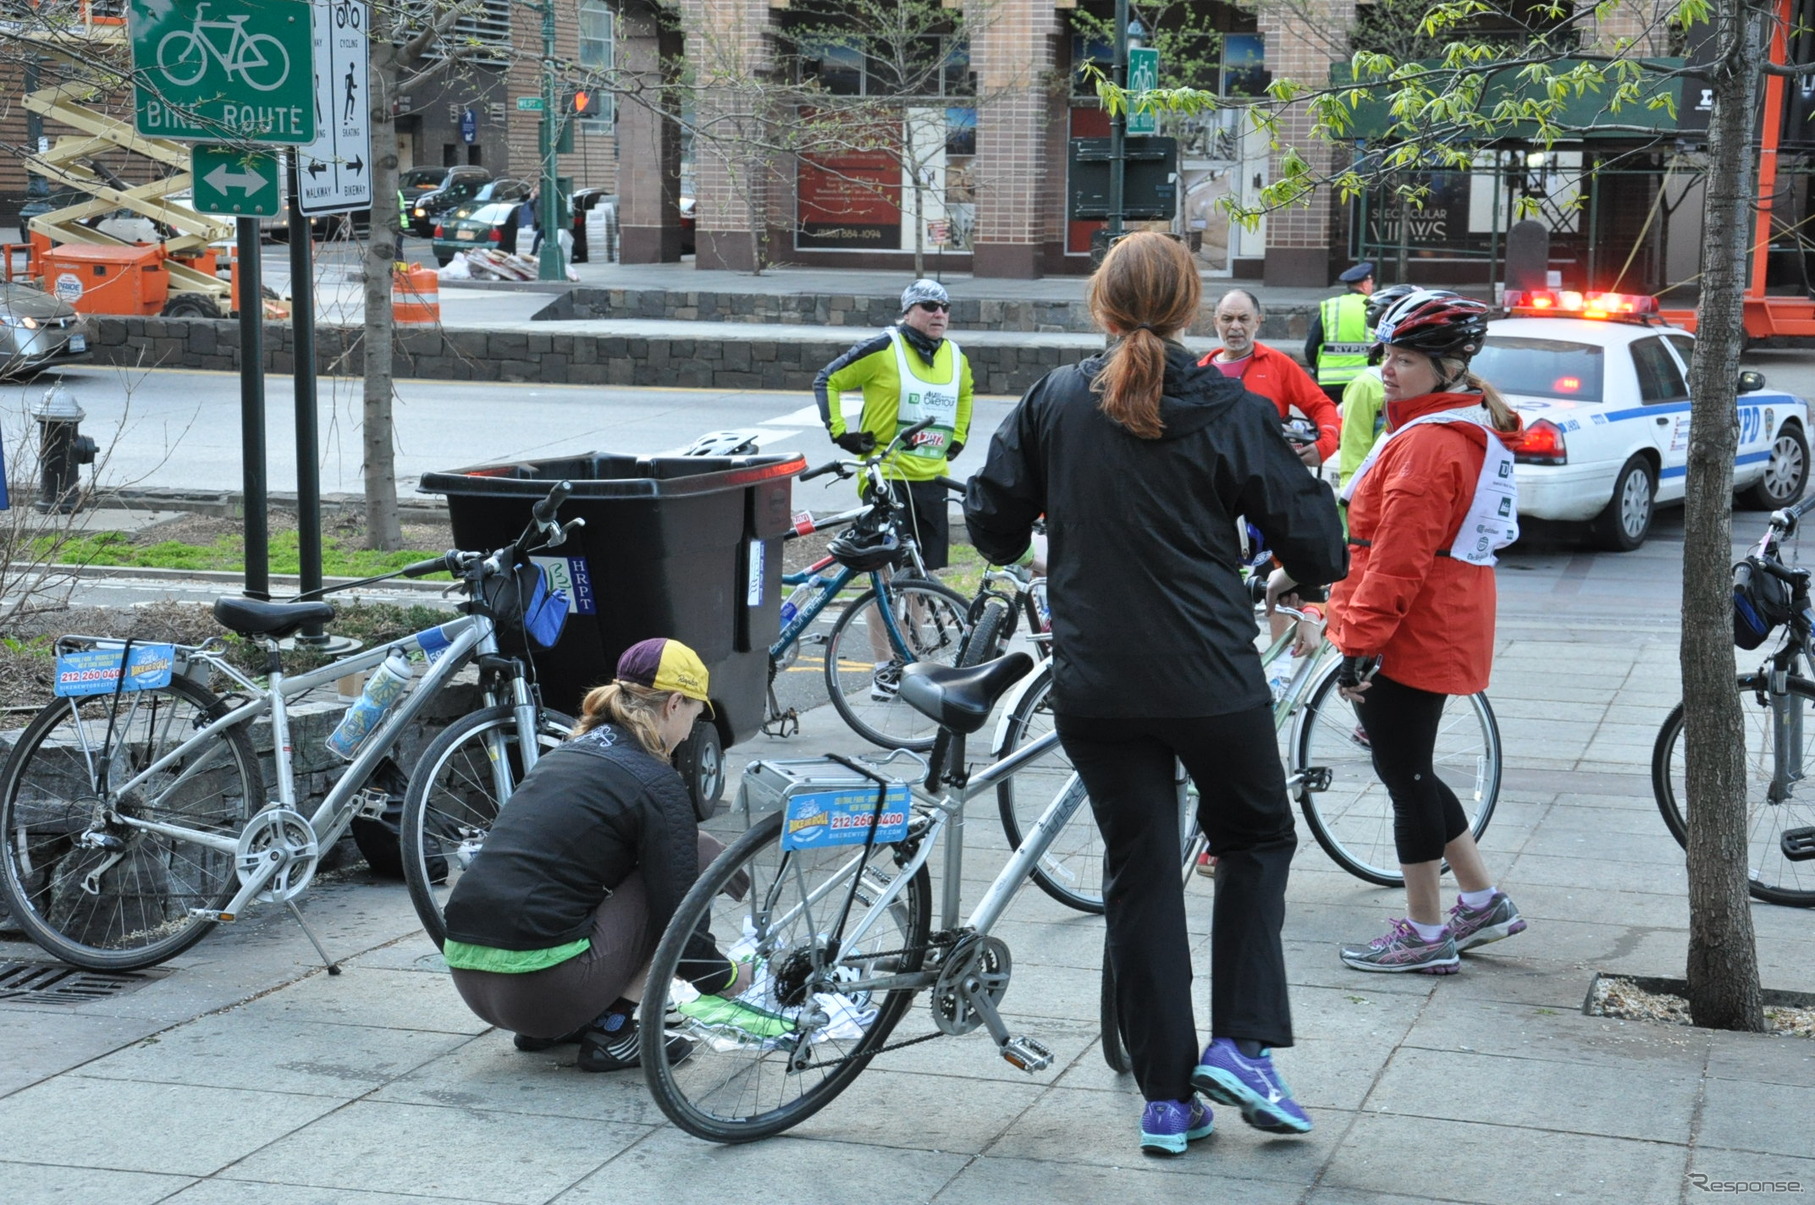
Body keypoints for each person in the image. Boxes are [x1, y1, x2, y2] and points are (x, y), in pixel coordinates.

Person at [965, 233, 1346, 1156]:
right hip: (1211, 676)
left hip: (1097, 682)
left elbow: (989, 523)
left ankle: (1168, 1099)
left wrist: (1051, 537)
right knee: (1254, 837)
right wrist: (1284, 566)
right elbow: (1317, 546)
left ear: (1100, 303)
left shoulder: (1057, 399)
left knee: (1138, 873)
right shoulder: (1228, 402)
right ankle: (1243, 1044)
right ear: (1189, 309)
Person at [1288, 290, 1529, 975]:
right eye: (1386, 356)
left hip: (1412, 628)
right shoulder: (1448, 426)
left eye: (1404, 359)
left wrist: (1358, 642)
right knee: (1410, 767)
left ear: (1447, 367)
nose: (1386, 370)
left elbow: (1398, 556)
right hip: (1436, 618)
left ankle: (1425, 932)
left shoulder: (1428, 445)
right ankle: (1479, 899)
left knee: (1405, 774)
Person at [441, 638, 752, 1071]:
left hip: (469, 980)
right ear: (674, 704)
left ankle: (564, 1024)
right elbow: (682, 922)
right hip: (543, 993)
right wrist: (729, 977)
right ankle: (614, 1030)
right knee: (699, 853)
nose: (688, 732)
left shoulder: (566, 754)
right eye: (695, 715)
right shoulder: (654, 781)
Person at [815, 278, 975, 697]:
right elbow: (827, 379)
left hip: (931, 482)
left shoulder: (955, 356)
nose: (939, 313)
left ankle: (911, 664)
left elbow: (964, 396)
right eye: (928, 306)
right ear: (908, 312)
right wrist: (841, 433)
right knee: (883, 578)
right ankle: (884, 668)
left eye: (945, 307)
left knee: (919, 577)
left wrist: (957, 437)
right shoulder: (884, 348)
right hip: (885, 482)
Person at [1201, 288, 1338, 469]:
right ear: (1216, 322)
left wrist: (1325, 445)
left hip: (1266, 478)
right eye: (1227, 319)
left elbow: (1321, 406)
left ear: (1257, 322)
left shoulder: (1278, 364)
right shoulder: (1201, 372)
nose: (1235, 326)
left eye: (1243, 319)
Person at [1336, 282, 1428, 486]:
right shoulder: (1367, 385)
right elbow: (1353, 457)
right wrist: (1351, 505)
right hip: (1376, 496)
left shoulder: (1428, 380)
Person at [1304, 260, 1376, 407]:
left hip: (1330, 382)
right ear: (1365, 284)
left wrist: (1317, 370)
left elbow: (1311, 347)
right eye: (1371, 283)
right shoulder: (1374, 306)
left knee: (1332, 423)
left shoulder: (1330, 306)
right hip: (1364, 381)